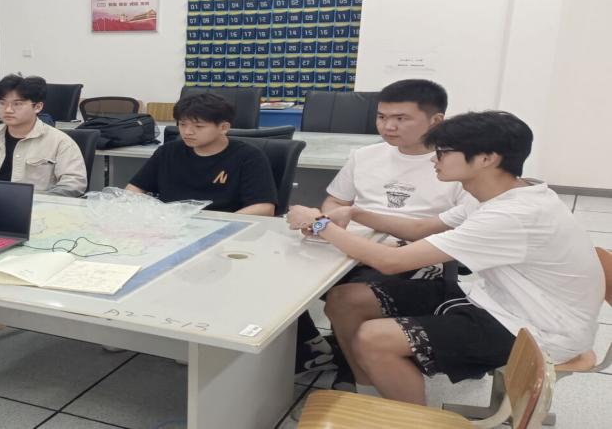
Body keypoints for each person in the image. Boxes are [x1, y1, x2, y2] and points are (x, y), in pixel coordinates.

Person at [285, 111, 603, 405]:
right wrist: (355, 213)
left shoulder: (512, 215)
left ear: (487, 159)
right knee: (344, 300)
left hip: (537, 328)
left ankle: (412, 420)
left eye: (443, 152)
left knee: (374, 338)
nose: (433, 160)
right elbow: (420, 228)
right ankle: (368, 395)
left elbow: (391, 262)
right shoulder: (499, 193)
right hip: (497, 300)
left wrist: (320, 224)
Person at [296, 79, 475, 375]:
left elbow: (456, 230)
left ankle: (356, 369)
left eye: (401, 118)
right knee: (285, 275)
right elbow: (335, 201)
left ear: (436, 120)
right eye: (382, 117)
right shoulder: (365, 155)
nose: (388, 126)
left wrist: (330, 224)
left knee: (346, 296)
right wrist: (330, 220)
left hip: (415, 255)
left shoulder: (456, 164)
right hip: (353, 245)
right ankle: (312, 347)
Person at [126, 92, 276, 215]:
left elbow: (264, 208)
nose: (187, 132)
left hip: (224, 230)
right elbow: (134, 190)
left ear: (223, 127)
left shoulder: (248, 157)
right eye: (182, 124)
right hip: (171, 226)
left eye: (199, 126)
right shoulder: (168, 151)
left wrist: (224, 225)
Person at [0, 74, 87, 197]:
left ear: (38, 107)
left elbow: (73, 184)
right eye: (2, 103)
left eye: (17, 104)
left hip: (37, 211)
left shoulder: (60, 142)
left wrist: (40, 203)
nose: (8, 110)